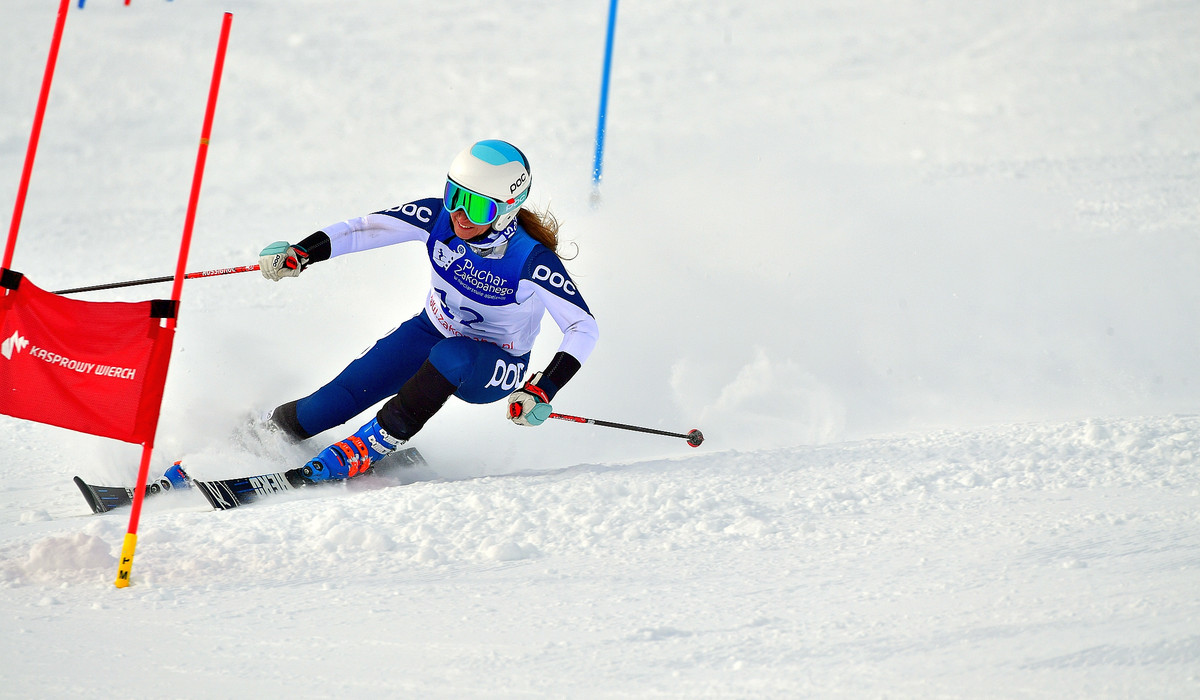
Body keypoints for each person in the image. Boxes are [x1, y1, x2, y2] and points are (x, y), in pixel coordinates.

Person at [250, 139, 598, 483]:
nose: (460, 215)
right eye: (454, 196)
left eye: (477, 208)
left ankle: (368, 447)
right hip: (429, 331)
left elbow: (582, 326)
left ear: (506, 209)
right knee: (325, 405)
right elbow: (364, 229)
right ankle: (264, 433)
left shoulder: (530, 260)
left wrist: (544, 387)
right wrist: (304, 252)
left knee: (453, 355)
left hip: (493, 363)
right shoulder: (438, 218)